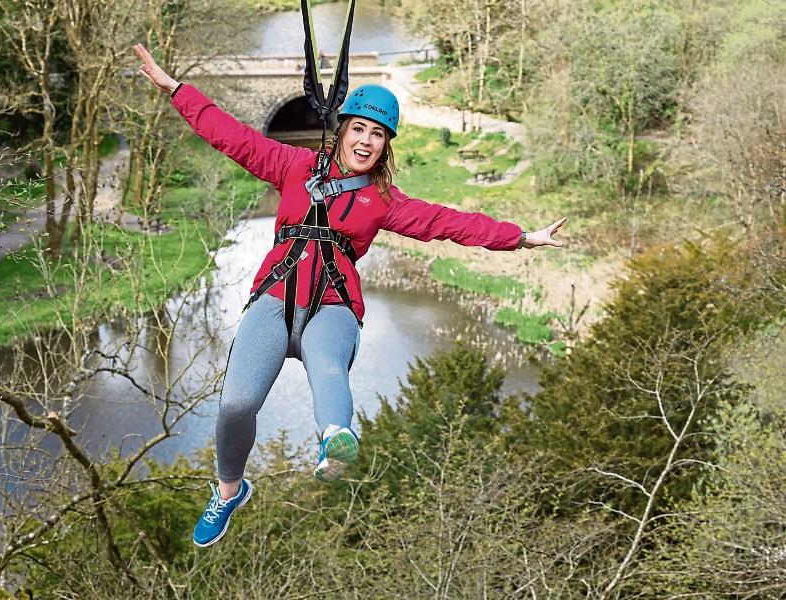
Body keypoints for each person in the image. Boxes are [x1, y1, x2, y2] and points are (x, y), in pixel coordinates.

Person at [132, 43, 566, 547]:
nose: (365, 141)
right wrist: (178, 92)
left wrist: (520, 236)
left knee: (329, 367)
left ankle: (335, 439)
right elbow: (234, 138)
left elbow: (448, 223)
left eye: (377, 134)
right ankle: (229, 490)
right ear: (342, 130)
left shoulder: (382, 201)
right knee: (235, 405)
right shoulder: (291, 165)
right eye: (358, 128)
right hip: (274, 298)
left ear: (386, 146)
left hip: (333, 306)